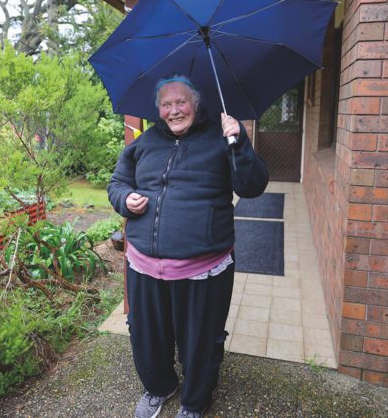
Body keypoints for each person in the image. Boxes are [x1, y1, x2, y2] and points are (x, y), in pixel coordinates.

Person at [108, 76, 269, 418]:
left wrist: (239, 142)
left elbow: (252, 186)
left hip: (204, 268)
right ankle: (159, 386)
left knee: (200, 341)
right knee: (146, 335)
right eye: (166, 104)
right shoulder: (144, 143)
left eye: (181, 102)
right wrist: (125, 198)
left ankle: (194, 403)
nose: (174, 110)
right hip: (143, 264)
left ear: (196, 104)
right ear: (158, 109)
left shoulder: (221, 137)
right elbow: (118, 181)